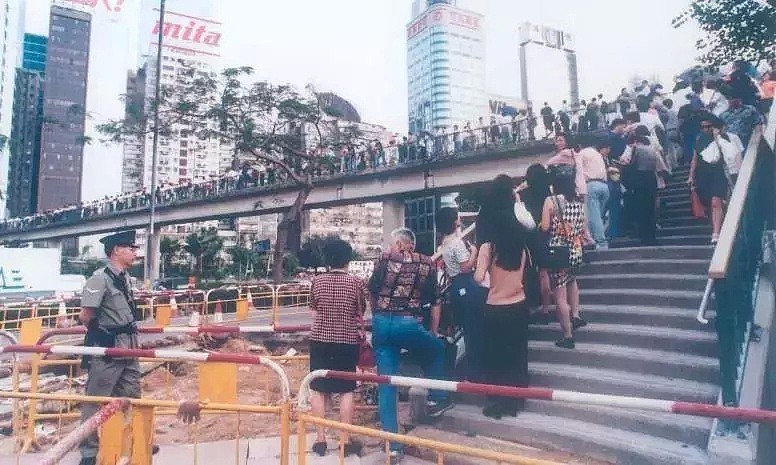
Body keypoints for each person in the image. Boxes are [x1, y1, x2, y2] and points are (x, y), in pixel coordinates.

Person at [368, 228, 453, 464]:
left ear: (398, 243)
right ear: (412, 245)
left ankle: (394, 447)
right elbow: (436, 301)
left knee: (387, 382)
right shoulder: (426, 263)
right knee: (436, 349)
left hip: (382, 323)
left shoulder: (384, 258)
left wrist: (378, 317)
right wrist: (433, 333)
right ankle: (437, 397)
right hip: (408, 323)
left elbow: (372, 291)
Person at [78, 231, 141, 465]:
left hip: (130, 348)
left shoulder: (124, 278)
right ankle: (88, 453)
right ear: (116, 250)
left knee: (134, 399)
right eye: (130, 248)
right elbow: (86, 315)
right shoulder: (99, 278)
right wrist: (103, 336)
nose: (134, 252)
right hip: (108, 350)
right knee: (96, 401)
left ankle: (137, 441)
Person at [307, 239, 367, 457]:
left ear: (328, 259)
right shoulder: (356, 283)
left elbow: (312, 311)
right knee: (346, 390)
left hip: (320, 339)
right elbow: (360, 310)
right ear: (348, 259)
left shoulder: (317, 281)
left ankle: (321, 439)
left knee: (318, 388)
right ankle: (345, 439)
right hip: (346, 341)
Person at [473, 208, 530, 418]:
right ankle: (516, 400)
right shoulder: (521, 248)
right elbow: (522, 277)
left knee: (497, 358)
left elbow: (479, 278)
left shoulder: (488, 247)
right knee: (516, 355)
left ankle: (498, 402)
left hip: (496, 307)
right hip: (519, 305)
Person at [436, 207, 485, 382]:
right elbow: (466, 267)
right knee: (475, 329)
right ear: (454, 222)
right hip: (465, 284)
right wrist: (474, 252)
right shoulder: (457, 243)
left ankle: (470, 371)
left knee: (467, 330)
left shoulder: (445, 243)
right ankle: (476, 371)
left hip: (456, 287)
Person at [540, 174, 586, 349]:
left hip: (559, 252)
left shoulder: (551, 201)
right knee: (573, 281)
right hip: (575, 250)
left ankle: (567, 336)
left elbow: (545, 227)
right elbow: (583, 227)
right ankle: (576, 316)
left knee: (559, 295)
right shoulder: (579, 202)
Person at [688, 115, 733, 244]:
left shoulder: (722, 138)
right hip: (703, 174)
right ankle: (718, 222)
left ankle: (716, 232)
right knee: (710, 203)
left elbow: (727, 156)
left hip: (718, 173)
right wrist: (691, 175)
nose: (706, 129)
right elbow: (695, 159)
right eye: (703, 127)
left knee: (715, 201)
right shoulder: (699, 140)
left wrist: (716, 137)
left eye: (708, 126)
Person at [518, 164, 553, 324]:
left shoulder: (524, 194)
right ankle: (546, 309)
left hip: (531, 237)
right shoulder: (549, 195)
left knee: (532, 272)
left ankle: (532, 304)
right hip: (548, 235)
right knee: (545, 273)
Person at [579, 139, 611, 249]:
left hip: (592, 185)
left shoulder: (582, 153)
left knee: (593, 216)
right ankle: (593, 238)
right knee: (597, 215)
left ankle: (601, 242)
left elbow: (578, 171)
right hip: (604, 186)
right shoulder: (598, 155)